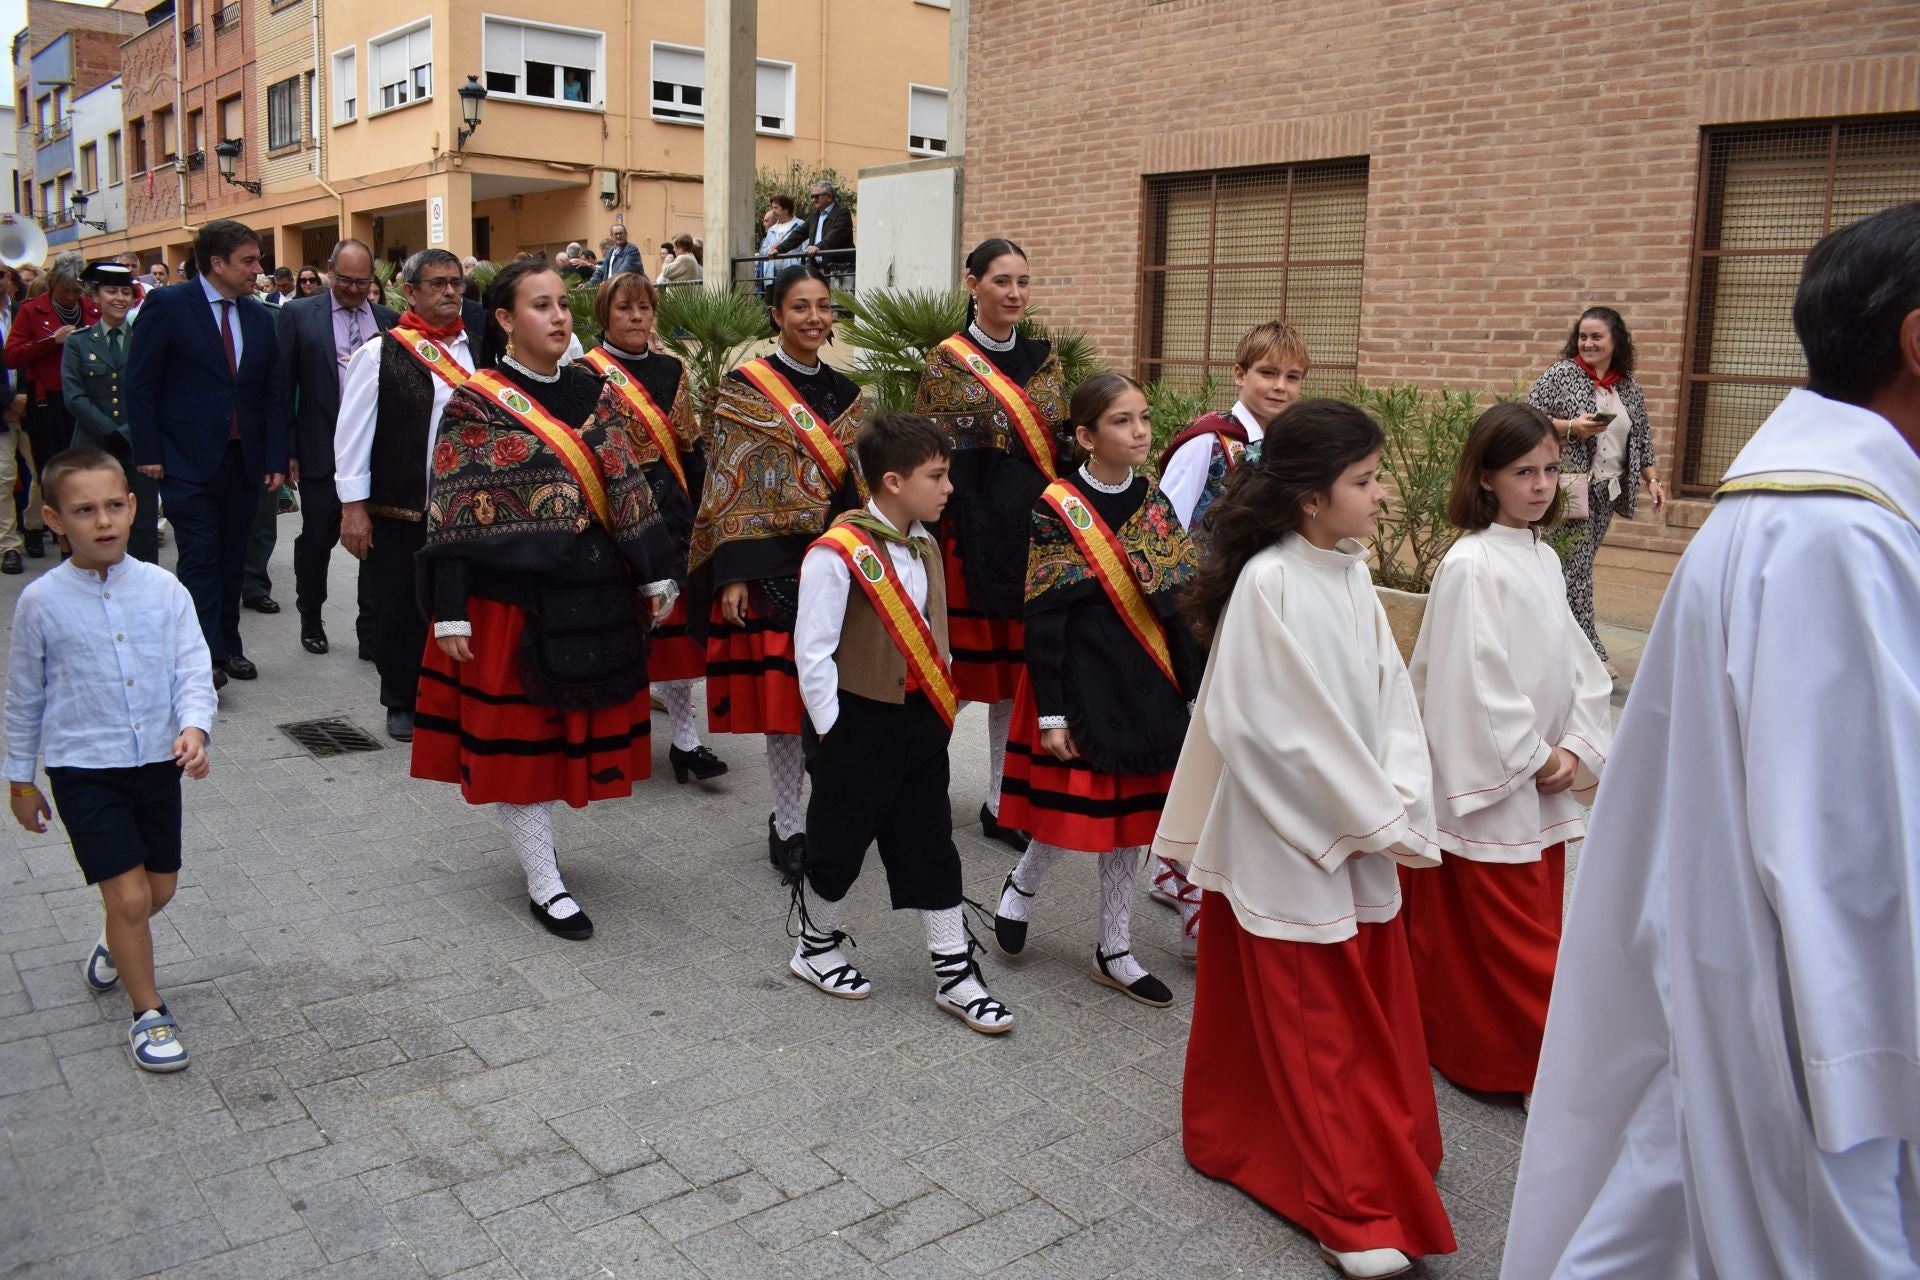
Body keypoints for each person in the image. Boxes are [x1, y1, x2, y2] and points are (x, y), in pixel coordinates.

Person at [1502, 203, 1920, 1280]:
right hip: (1819, 1049)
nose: (1592, 344)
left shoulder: (1808, 515)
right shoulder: (1834, 537)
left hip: (1754, 1004)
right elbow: (1857, 867)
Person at [1153, 398, 1452, 1280]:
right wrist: (1368, 810)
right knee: (1314, 1020)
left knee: (1343, 1007)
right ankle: (1348, 1209)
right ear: (1312, 498)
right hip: (1291, 834)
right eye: (1365, 480)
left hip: (1356, 818)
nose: (1380, 494)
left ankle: (1270, 1137)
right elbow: (1269, 727)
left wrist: (1400, 793)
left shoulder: (1348, 571)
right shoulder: (1271, 582)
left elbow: (1390, 697)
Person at [413, 259, 677, 940]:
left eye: (562, 303)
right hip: (512, 601)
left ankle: (546, 860)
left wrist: (654, 572)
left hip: (596, 593)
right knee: (522, 747)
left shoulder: (595, 390)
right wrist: (449, 609)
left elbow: (627, 483)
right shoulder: (474, 403)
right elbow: (450, 512)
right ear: (505, 319)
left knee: (562, 741)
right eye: (540, 305)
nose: (559, 317)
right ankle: (543, 879)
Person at [1402, 402, 1611, 1105]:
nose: (1542, 485)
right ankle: (1554, 1073)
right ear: (1486, 477)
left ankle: (1513, 1060)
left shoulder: (1542, 558)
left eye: (1551, 469)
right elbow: (1473, 679)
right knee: (1509, 945)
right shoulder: (1471, 562)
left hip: (1539, 781)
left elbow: (1580, 662)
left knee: (1528, 931)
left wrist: (1575, 743)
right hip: (1497, 784)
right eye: (1524, 472)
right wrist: (1535, 757)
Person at [789, 413, 1013, 1033]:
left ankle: (955, 973)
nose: (949, 488)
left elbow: (935, 634)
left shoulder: (926, 544)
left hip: (920, 722)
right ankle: (815, 947)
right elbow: (813, 652)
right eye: (936, 476)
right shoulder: (837, 553)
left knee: (929, 842)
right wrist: (834, 731)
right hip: (857, 719)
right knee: (839, 843)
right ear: (893, 480)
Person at [989, 371, 1201, 1008]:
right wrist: (1052, 713)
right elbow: (1045, 617)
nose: (1140, 432)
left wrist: (1195, 692)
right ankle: (1023, 883)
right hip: (1081, 685)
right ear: (1086, 436)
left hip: (1148, 682)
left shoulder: (1154, 501)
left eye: (1144, 417)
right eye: (1122, 421)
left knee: (1129, 825)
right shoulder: (1056, 508)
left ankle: (1115, 950)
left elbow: (1180, 606)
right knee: (1071, 814)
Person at [3, 447, 217, 1072]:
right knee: (127, 898)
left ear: (133, 507)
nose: (103, 521)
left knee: (158, 890)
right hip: (83, 769)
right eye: (84, 510)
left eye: (114, 505)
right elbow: (23, 696)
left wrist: (195, 728)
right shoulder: (40, 602)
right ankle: (149, 1014)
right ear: (53, 519)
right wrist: (19, 780)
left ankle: (115, 944)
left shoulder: (163, 589)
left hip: (155, 763)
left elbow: (192, 668)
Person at [690, 264, 867, 878]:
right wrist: (733, 572)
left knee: (839, 698)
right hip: (770, 567)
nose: (814, 318)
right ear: (776, 315)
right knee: (787, 708)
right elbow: (725, 483)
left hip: (838, 563)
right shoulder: (745, 388)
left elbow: (859, 484)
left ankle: (832, 815)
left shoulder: (848, 393)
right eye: (800, 307)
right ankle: (788, 824)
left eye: (823, 306)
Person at [1149, 319, 1311, 957]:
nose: (1280, 386)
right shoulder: (1208, 445)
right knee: (1206, 744)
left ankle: (1193, 868)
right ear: (1239, 375)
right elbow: (1163, 528)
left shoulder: (1290, 447)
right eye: (1267, 373)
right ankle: (1186, 879)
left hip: (1262, 611)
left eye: (1292, 376)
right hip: (1205, 615)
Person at [911, 239, 1069, 852]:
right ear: (972, 283)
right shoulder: (947, 363)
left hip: (1033, 536)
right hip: (969, 538)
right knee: (950, 674)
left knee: (1014, 678)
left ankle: (1001, 800)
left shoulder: (1045, 360)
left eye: (1023, 282)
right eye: (1002, 280)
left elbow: (1061, 443)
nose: (1015, 293)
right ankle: (912, 785)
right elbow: (932, 456)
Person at [127, 219, 289, 692]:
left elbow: (272, 395)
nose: (258, 270)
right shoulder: (168, 306)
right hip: (185, 459)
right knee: (199, 558)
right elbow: (140, 384)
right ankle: (202, 657)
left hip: (243, 461)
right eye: (249, 261)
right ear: (216, 263)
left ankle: (229, 645)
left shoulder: (259, 316)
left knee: (233, 557)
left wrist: (275, 458)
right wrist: (149, 451)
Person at [579, 271, 727, 784]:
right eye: (625, 308)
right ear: (605, 314)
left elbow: (690, 445)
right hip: (615, 516)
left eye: (644, 307)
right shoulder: (584, 374)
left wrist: (706, 509)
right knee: (622, 627)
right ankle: (614, 739)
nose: (637, 317)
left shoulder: (672, 368)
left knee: (674, 635)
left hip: (672, 513)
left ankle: (686, 741)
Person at [334, 249, 474, 741]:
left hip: (468, 508)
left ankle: (457, 694)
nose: (450, 292)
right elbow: (352, 435)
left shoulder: (477, 347)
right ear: (409, 292)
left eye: (456, 283)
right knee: (399, 605)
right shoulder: (381, 352)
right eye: (437, 283)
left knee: (460, 603)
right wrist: (353, 508)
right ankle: (401, 698)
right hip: (403, 504)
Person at [1526, 306, 1667, 671]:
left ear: (1614, 340)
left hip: (1608, 491)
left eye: (1596, 337)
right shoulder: (1562, 374)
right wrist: (1571, 426)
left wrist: (1653, 479)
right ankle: (1590, 656)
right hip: (1570, 485)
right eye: (1582, 336)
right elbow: (1527, 419)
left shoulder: (1628, 386)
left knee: (1574, 567)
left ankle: (1549, 643)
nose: (1587, 343)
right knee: (1576, 569)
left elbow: (1641, 438)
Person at [276, 239, 397, 657]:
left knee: (375, 545)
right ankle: (311, 615)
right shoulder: (298, 315)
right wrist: (287, 450)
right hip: (320, 450)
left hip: (377, 454)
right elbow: (281, 388)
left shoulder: (388, 320)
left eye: (363, 282)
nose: (353, 289)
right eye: (345, 280)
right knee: (317, 538)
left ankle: (370, 631)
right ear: (329, 269)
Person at [63, 262, 160, 563]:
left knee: (142, 525)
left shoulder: (145, 340)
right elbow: (74, 396)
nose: (119, 298)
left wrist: (126, 433)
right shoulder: (78, 342)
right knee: (91, 524)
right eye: (111, 291)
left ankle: (142, 586)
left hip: (138, 446)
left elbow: (156, 392)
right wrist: (109, 431)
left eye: (125, 292)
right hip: (92, 446)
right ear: (95, 296)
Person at [6, 253, 101, 549]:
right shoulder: (31, 310)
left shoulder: (92, 308)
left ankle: (82, 535)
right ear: (53, 284)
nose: (71, 296)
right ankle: (58, 539)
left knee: (85, 472)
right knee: (53, 472)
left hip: (86, 399)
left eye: (76, 290)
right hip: (47, 402)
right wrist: (52, 341)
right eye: (65, 290)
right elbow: (12, 356)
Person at [0, 265, 26, 574]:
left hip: (30, 407)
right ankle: (8, 545)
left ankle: (33, 527)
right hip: (2, 411)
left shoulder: (23, 311)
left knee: (43, 475)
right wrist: (8, 400)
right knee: (3, 479)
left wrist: (23, 397)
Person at [777, 181, 855, 262]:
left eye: (817, 196)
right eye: (812, 197)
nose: (813, 200)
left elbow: (835, 236)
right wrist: (779, 249)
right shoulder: (814, 216)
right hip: (815, 266)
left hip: (839, 266)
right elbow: (799, 234)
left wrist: (818, 247)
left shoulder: (842, 213)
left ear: (829, 197)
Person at [757, 195, 801, 285]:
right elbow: (763, 251)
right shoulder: (772, 229)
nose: (773, 211)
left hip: (793, 276)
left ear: (786, 208)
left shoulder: (800, 225)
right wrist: (772, 247)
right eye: (772, 208)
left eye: (776, 208)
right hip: (772, 277)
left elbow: (805, 250)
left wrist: (799, 269)